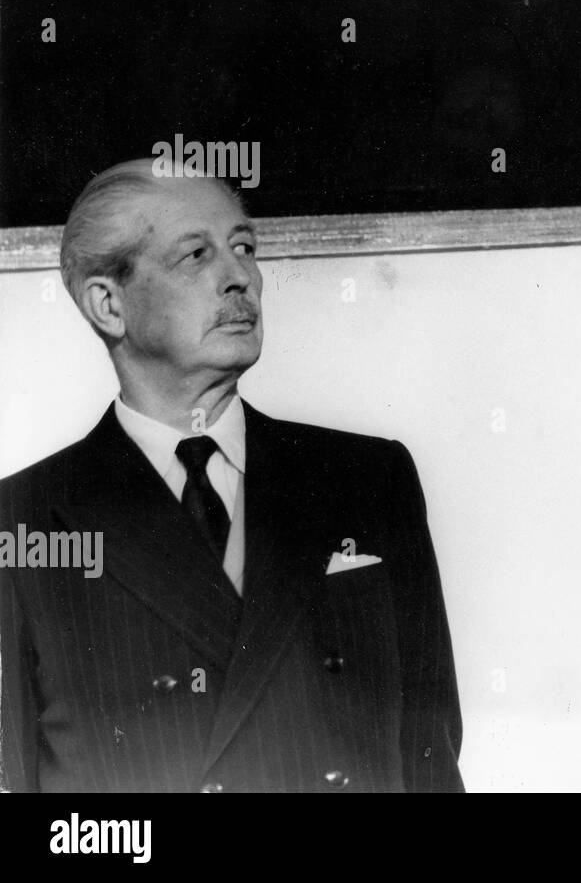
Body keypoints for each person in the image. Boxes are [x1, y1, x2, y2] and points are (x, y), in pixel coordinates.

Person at [0, 160, 463, 792]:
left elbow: (429, 761)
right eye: (196, 255)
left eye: (244, 247)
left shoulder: (368, 481)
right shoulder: (23, 521)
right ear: (108, 304)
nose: (239, 276)